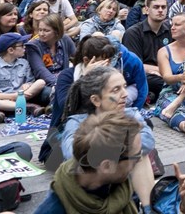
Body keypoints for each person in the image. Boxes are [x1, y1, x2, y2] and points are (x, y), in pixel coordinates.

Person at [57, 66, 156, 204]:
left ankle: (149, 209)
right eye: (116, 90)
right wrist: (115, 146)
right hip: (88, 188)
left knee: (140, 155)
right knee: (133, 149)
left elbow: (148, 141)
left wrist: (109, 148)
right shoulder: (76, 122)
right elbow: (72, 155)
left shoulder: (130, 113)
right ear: (96, 100)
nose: (125, 94)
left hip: (120, 177)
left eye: (124, 87)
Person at [36, 109, 141, 214]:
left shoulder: (122, 187)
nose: (139, 160)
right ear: (107, 166)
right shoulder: (54, 209)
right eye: (136, 156)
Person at [121, 0, 171, 101]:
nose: (160, 10)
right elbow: (136, 66)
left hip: (167, 73)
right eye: (156, 7)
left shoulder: (171, 29)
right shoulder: (133, 33)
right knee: (163, 82)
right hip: (144, 76)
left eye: (163, 7)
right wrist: (164, 71)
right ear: (146, 10)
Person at [0, 32, 48, 116]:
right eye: (21, 45)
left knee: (41, 82)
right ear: (10, 50)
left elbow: (31, 80)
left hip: (23, 96)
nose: (24, 47)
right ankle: (25, 107)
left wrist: (28, 84)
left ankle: (3, 111)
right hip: (5, 99)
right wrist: (12, 96)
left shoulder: (24, 63)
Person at [25, 14, 75, 96]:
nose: (41, 33)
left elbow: (77, 57)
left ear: (57, 31)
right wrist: (59, 84)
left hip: (65, 80)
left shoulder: (65, 39)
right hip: (44, 84)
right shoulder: (33, 46)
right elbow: (40, 71)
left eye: (46, 30)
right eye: (40, 30)